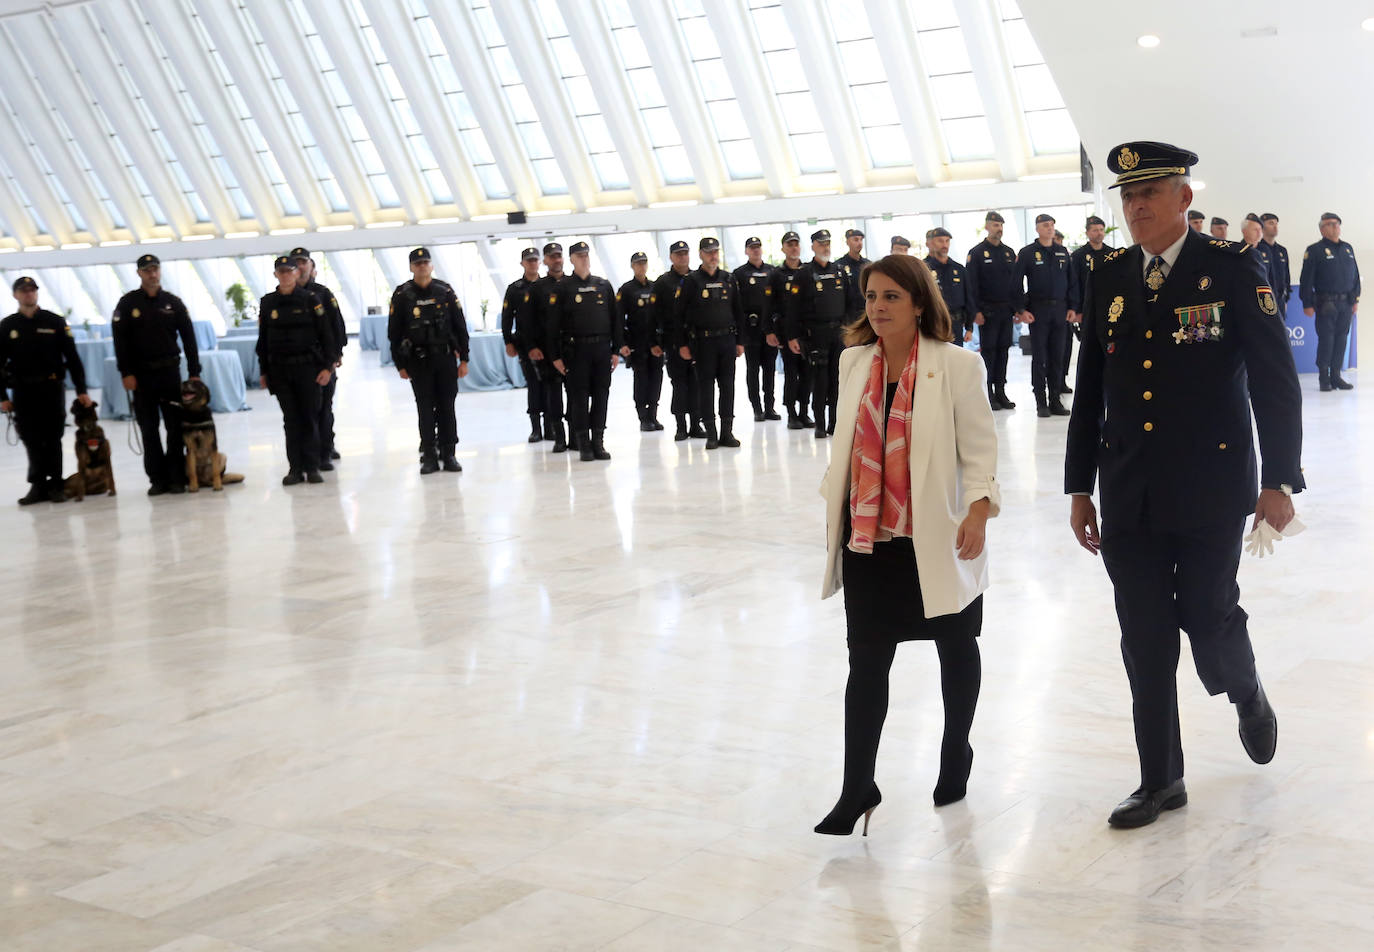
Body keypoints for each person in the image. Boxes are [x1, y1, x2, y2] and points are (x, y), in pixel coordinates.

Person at [1067, 141, 1303, 829]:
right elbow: (1091, 392)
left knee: (1207, 616)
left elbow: (1272, 378)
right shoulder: (1109, 276)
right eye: (1127, 196)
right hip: (1128, 489)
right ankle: (1160, 780)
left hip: (1211, 484)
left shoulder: (1228, 268)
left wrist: (1280, 478)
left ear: (1184, 200)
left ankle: (1246, 690)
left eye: (1150, 193)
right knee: (1143, 636)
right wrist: (1079, 485)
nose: (1135, 207)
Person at [813, 253, 999, 835]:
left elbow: (980, 449)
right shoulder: (852, 363)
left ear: (919, 302)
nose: (878, 307)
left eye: (892, 296)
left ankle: (955, 752)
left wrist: (978, 511)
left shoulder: (957, 366)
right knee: (865, 664)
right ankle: (856, 785)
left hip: (937, 538)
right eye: (871, 296)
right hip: (870, 540)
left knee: (956, 648)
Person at [113, 253, 200, 495]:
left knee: (174, 427)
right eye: (147, 270)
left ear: (159, 271)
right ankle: (156, 479)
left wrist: (194, 372)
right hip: (141, 377)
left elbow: (189, 339)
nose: (152, 274)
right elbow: (120, 342)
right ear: (139, 273)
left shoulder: (173, 302)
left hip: (170, 373)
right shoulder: (127, 304)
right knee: (149, 428)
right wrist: (126, 373)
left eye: (155, 269)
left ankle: (175, 476)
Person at [0, 277, 92, 505]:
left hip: (51, 387)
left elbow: (72, 358)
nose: (29, 294)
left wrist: (81, 389)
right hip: (23, 391)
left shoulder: (55, 322)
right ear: (16, 295)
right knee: (31, 438)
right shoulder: (8, 325)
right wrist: (2, 397)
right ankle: (38, 485)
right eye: (24, 291)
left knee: (53, 437)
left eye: (32, 290)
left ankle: (57, 484)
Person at [257, 256, 339, 485]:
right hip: (280, 370)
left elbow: (326, 336)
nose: (285, 275)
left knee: (309, 418)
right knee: (290, 420)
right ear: (275, 275)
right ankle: (295, 468)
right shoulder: (268, 303)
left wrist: (328, 367)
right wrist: (264, 371)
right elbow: (262, 340)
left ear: (296, 273)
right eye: (280, 271)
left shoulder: (310, 300)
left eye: (289, 271)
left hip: (308, 369)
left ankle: (312, 467)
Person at [388, 248, 470, 474]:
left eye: (425, 262)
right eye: (418, 263)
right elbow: (394, 332)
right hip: (418, 360)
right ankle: (430, 456)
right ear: (411, 267)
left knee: (447, 407)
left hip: (444, 358)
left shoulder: (445, 291)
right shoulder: (402, 295)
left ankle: (449, 453)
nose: (422, 266)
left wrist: (464, 358)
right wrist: (400, 364)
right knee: (425, 409)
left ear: (431, 266)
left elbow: (459, 326)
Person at [550, 241, 620, 461]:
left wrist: (616, 350)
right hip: (576, 350)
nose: (583, 259)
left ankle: (598, 441)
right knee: (578, 397)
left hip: (601, 349)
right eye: (579, 256)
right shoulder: (563, 287)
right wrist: (555, 356)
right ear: (571, 259)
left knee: (601, 395)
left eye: (586, 255)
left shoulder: (603, 285)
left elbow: (615, 319)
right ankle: (583, 443)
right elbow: (552, 325)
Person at [673, 236, 745, 449]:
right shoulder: (692, 281)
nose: (713, 255)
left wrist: (740, 341)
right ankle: (711, 434)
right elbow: (679, 316)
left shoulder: (728, 278)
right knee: (705, 388)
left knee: (728, 387)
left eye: (715, 251)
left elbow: (738, 311)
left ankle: (727, 432)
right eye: (708, 252)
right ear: (701, 255)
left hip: (727, 340)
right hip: (703, 343)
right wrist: (682, 344)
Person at [785, 229, 850, 438]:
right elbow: (792, 308)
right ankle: (820, 424)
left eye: (828, 243)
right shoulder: (803, 274)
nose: (825, 247)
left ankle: (835, 422)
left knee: (836, 379)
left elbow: (850, 303)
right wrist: (792, 336)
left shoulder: (839, 272)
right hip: (815, 334)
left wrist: (850, 331)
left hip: (838, 333)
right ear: (813, 246)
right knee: (819, 381)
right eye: (821, 244)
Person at [1014, 214, 1077, 417]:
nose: (1049, 228)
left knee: (1057, 357)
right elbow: (1015, 284)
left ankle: (1055, 399)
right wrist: (1021, 310)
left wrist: (1073, 307)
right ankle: (1041, 402)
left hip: (1060, 310)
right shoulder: (1027, 253)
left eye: (1051, 225)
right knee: (1040, 358)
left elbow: (1072, 282)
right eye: (1045, 225)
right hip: (1038, 311)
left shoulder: (1062, 252)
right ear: (1037, 229)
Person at [290, 248, 345, 471]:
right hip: (297, 364)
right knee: (303, 410)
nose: (300, 266)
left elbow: (337, 326)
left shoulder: (323, 293)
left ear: (312, 267)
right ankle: (307, 451)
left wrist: (335, 356)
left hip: (323, 361)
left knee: (324, 408)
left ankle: (325, 450)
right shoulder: (285, 296)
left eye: (304, 262)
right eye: (296, 263)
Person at [1299, 212, 1360, 391]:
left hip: (1346, 304)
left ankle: (1336, 376)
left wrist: (1355, 299)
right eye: (1330, 224)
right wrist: (1307, 303)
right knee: (1327, 340)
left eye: (1337, 224)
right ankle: (1324, 378)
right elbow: (1306, 280)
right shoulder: (1314, 250)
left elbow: (1355, 276)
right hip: (1326, 304)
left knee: (1342, 340)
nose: (1335, 227)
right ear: (1321, 228)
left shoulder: (1347, 248)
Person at [966, 211, 1019, 410]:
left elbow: (1014, 284)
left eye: (1001, 225)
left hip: (1006, 311)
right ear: (987, 227)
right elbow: (971, 286)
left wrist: (1016, 308)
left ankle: (1001, 391)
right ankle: (988, 392)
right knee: (989, 353)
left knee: (1003, 352)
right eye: (995, 225)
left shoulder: (1008, 252)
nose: (999, 228)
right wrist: (975, 312)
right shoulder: (977, 253)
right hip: (986, 312)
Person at [653, 239, 702, 441]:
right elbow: (654, 315)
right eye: (678, 254)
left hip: (698, 341)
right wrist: (654, 341)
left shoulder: (697, 279)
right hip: (673, 341)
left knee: (698, 384)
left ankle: (696, 425)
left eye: (685, 253)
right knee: (679, 384)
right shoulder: (663, 283)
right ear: (671, 257)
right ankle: (681, 426)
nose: (682, 257)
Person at [502, 246, 549, 443]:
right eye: (528, 260)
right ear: (522, 263)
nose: (532, 263)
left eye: (535, 260)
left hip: (548, 344)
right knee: (534, 385)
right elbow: (506, 317)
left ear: (540, 262)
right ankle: (536, 428)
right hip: (525, 344)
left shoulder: (548, 285)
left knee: (550, 386)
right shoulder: (515, 289)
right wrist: (508, 342)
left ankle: (551, 427)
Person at [1068, 216, 1118, 395]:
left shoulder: (1114, 254)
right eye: (1095, 230)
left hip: (1111, 311)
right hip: (1087, 311)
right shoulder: (1079, 256)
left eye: (1101, 229)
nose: (1099, 233)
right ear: (1088, 232)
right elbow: (1074, 285)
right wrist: (1078, 310)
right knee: (1090, 349)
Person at [732, 236, 778, 423]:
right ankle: (756, 408)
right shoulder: (739, 274)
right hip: (750, 329)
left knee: (770, 369)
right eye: (752, 248)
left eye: (758, 247)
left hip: (770, 329)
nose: (756, 250)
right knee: (753, 370)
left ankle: (769, 407)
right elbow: (736, 305)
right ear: (746, 251)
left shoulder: (772, 272)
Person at [769, 231, 812, 429]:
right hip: (786, 332)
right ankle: (791, 413)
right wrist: (770, 331)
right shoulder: (776, 275)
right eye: (789, 245)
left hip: (807, 331)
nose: (794, 248)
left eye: (796, 244)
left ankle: (804, 411)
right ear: (783, 249)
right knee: (791, 373)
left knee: (807, 373)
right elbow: (769, 306)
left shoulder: (807, 272)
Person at [617, 251, 663, 432]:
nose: (641, 266)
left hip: (655, 342)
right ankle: (643, 417)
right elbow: (619, 318)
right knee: (641, 378)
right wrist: (621, 343)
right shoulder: (627, 290)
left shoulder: (654, 287)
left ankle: (653, 414)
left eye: (644, 263)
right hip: (637, 342)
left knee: (656, 378)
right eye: (638, 263)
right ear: (632, 266)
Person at [531, 242, 569, 451]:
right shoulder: (538, 288)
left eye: (559, 256)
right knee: (553, 395)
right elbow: (529, 322)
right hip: (547, 351)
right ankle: (558, 436)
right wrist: (531, 347)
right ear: (544, 260)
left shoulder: (573, 284)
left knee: (575, 394)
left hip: (571, 349)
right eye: (552, 256)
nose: (556, 260)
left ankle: (575, 435)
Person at [924, 227, 976, 345]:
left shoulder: (958, 269)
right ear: (931, 243)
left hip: (955, 325)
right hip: (933, 324)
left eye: (947, 241)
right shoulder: (923, 269)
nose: (944, 245)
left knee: (955, 360)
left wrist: (969, 327)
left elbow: (968, 297)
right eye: (940, 241)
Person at [1259, 213, 1291, 316]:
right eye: (1271, 223)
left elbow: (1286, 276)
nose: (1275, 226)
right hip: (1264, 301)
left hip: (1280, 300)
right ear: (1262, 227)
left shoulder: (1282, 251)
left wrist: (1285, 299)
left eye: (1276, 223)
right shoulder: (1257, 250)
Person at [838, 228, 870, 321]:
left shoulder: (868, 265)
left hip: (866, 312)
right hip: (849, 315)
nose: (859, 243)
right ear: (847, 242)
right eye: (856, 240)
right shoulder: (839, 266)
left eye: (861, 240)